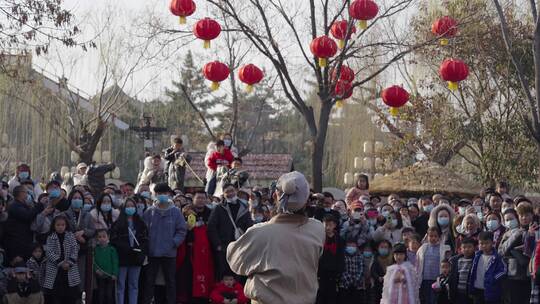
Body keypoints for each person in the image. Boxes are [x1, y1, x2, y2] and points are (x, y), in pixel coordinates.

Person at [226, 171, 325, 304]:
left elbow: (235, 260)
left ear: (274, 196)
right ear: (307, 200)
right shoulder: (317, 229)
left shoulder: (260, 232)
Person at [142, 183, 187, 304]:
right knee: (149, 281)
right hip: (153, 252)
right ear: (154, 195)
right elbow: (143, 231)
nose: (161, 196)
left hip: (169, 253)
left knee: (170, 281)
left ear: (169, 194)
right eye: (158, 194)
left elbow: (182, 230)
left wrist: (174, 243)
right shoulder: (149, 212)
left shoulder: (176, 212)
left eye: (164, 193)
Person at [207, 183, 253, 280]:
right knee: (222, 273)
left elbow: (250, 226)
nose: (230, 193)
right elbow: (211, 227)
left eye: (232, 190)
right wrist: (218, 244)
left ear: (236, 191)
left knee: (239, 273)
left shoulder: (244, 207)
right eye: (227, 192)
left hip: (240, 246)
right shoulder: (218, 208)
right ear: (223, 194)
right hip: (224, 247)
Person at [110, 198, 148, 304]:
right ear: (123, 208)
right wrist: (125, 247)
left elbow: (145, 240)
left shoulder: (140, 223)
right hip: (122, 258)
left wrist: (141, 252)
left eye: (132, 206)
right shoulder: (118, 223)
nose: (130, 208)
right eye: (128, 206)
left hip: (136, 258)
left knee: (134, 285)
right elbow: (114, 240)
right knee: (121, 285)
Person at [182, 191, 214, 304]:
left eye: (203, 198)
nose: (200, 200)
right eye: (198, 198)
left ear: (206, 200)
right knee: (190, 277)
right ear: (193, 199)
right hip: (189, 250)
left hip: (206, 251)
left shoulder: (211, 213)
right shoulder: (186, 212)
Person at [498, 205, 533, 304]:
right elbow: (501, 252)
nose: (524, 218)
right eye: (521, 215)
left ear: (532, 215)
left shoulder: (537, 231)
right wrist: (518, 234)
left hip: (531, 275)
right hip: (513, 275)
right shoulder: (509, 234)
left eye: (527, 215)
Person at [43, 215, 81, 304]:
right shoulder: (50, 237)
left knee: (70, 296)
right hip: (56, 270)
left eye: (62, 225)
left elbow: (75, 249)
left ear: (66, 225)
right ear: (54, 226)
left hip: (70, 269)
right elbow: (49, 252)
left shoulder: (70, 236)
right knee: (56, 296)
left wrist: (70, 263)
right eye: (58, 225)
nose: (60, 227)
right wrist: (61, 263)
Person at [4, 185, 44, 263]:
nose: (28, 194)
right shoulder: (14, 206)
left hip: (24, 244)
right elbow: (27, 216)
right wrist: (39, 205)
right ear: (21, 193)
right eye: (27, 192)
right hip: (16, 247)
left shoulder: (23, 205)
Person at [417, 227, 451, 304]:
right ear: (427, 236)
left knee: (435, 300)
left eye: (435, 236)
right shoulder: (422, 248)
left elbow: (447, 263)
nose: (433, 238)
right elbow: (418, 263)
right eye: (431, 236)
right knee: (425, 300)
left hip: (437, 280)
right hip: (425, 280)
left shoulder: (445, 249)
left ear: (439, 237)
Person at [470, 231, 506, 304]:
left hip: (491, 290)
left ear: (492, 243)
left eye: (486, 243)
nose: (484, 246)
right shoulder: (476, 256)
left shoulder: (497, 257)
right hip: (477, 289)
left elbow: (503, 270)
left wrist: (494, 278)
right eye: (481, 243)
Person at [316, 214, 345, 304]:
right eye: (326, 225)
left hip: (333, 274)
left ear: (335, 225)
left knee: (332, 298)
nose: (328, 227)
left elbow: (341, 256)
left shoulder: (339, 239)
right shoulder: (319, 237)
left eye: (330, 225)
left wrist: (339, 271)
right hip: (320, 273)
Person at [93, 229, 119, 304]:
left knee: (109, 294)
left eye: (104, 237)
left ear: (108, 237)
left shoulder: (111, 249)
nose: (102, 239)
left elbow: (115, 262)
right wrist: (96, 270)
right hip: (100, 276)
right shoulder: (96, 249)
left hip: (110, 276)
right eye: (100, 237)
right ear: (97, 238)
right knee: (101, 293)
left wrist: (115, 273)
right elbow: (93, 262)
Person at [449, 237, 477, 304]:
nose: (467, 249)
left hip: (470, 293)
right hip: (457, 292)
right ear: (460, 249)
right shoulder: (456, 260)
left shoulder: (476, 260)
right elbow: (452, 277)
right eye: (464, 247)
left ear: (474, 248)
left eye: (469, 247)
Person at [337, 239, 364, 304]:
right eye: (349, 245)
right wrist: (349, 280)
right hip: (344, 285)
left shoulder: (359, 256)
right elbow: (341, 269)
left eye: (353, 245)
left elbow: (361, 269)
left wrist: (356, 280)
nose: (351, 247)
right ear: (346, 247)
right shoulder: (342, 256)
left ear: (356, 247)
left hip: (357, 285)